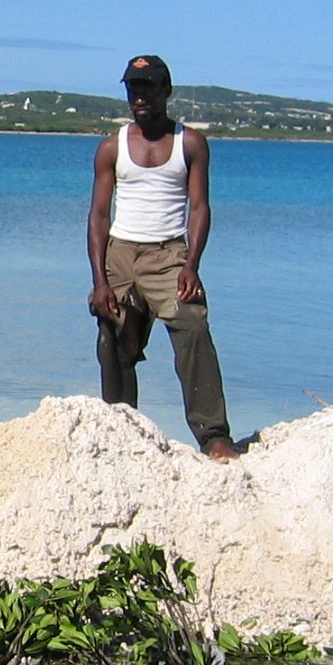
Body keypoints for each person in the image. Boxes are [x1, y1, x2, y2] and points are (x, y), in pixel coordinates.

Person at [88, 55, 237, 462]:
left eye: (149, 88)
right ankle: (121, 430)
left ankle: (214, 435)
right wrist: (100, 280)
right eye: (134, 89)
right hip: (120, 252)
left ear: (166, 91)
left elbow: (200, 208)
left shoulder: (189, 144)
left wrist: (192, 265)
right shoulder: (110, 148)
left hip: (168, 253)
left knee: (191, 322)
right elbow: (99, 215)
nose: (140, 97)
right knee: (113, 337)